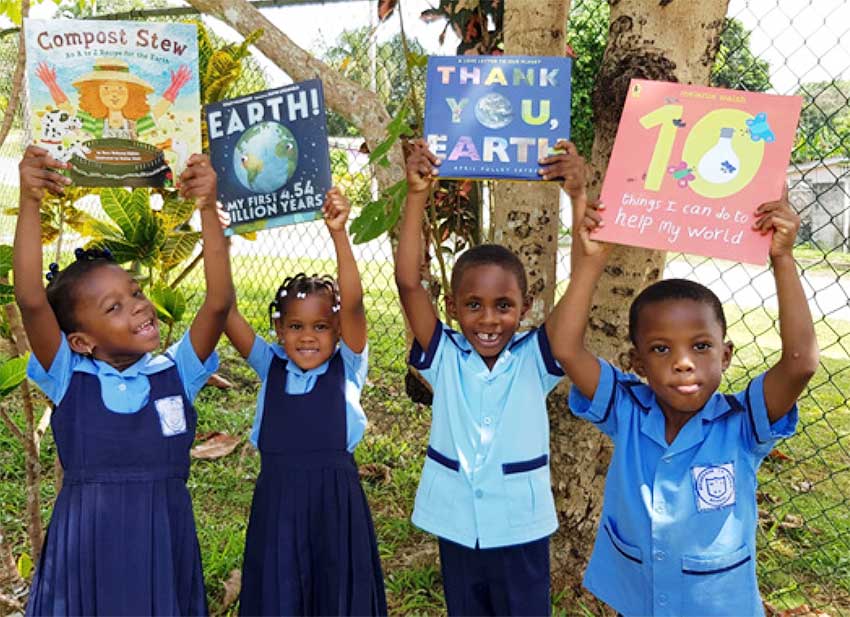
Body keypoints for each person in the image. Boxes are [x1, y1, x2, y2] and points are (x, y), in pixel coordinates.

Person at [547, 189, 819, 616]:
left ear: (725, 355)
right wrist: (590, 263)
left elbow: (801, 363)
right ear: (635, 361)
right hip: (637, 599)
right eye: (660, 350)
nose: (684, 364)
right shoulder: (627, 409)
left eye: (701, 346)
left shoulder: (744, 423)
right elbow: (565, 347)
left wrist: (782, 259)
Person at [15, 146, 233, 615]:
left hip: (161, 546)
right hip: (85, 558)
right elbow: (31, 299)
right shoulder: (68, 377)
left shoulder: (177, 372)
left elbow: (218, 303)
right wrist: (30, 200)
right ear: (81, 341)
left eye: (134, 292)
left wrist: (208, 208)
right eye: (113, 307)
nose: (136, 305)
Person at [394, 139, 587, 616]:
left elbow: (584, 280)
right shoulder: (443, 355)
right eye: (473, 305)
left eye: (504, 306)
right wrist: (417, 194)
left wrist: (578, 197)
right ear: (453, 307)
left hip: (520, 529)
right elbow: (408, 284)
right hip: (457, 525)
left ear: (525, 308)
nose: (487, 320)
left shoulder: (537, 358)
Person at [224, 187, 387, 616]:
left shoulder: (347, 366)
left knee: (335, 592)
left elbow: (353, 304)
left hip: (336, 508)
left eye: (320, 326)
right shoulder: (270, 364)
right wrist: (220, 238)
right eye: (295, 326)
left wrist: (339, 234)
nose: (308, 336)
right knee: (281, 593)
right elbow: (224, 311)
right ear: (279, 330)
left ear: (337, 331)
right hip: (278, 505)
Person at [35, 58, 191, 140]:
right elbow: (68, 109)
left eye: (120, 89)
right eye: (106, 89)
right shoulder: (91, 122)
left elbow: (157, 112)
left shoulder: (135, 123)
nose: (114, 95)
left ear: (132, 94)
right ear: (95, 94)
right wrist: (52, 84)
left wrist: (175, 88)